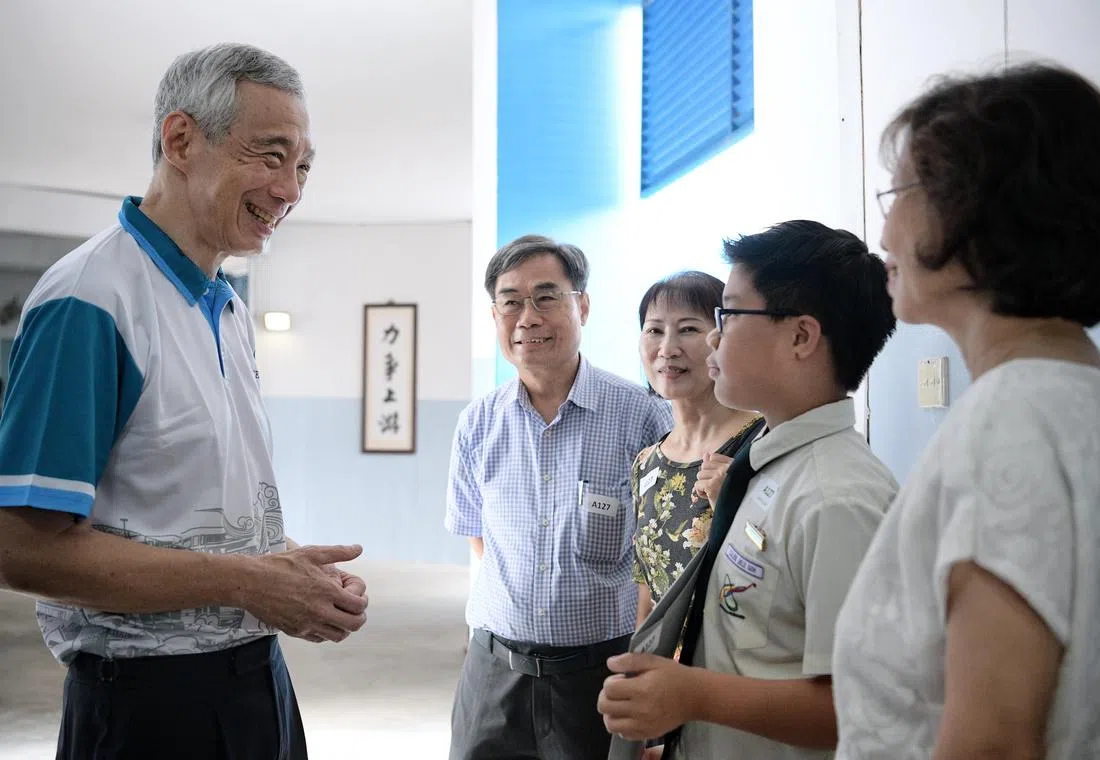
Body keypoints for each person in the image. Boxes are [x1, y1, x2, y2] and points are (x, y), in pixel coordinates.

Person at [0, 44, 368, 760]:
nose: (290, 189)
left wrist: (287, 570)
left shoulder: (226, 307)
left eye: (304, 166)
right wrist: (248, 581)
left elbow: (176, 510)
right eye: (270, 155)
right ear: (180, 140)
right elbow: (19, 548)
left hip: (256, 684)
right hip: (150, 708)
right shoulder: (91, 299)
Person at [832, 64, 1100, 759]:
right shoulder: (1083, 391)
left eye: (898, 193)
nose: (883, 232)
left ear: (974, 209)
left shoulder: (1011, 421)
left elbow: (992, 743)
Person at [599, 220, 899, 760]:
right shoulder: (766, 467)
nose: (713, 337)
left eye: (728, 315)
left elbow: (864, 707)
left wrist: (692, 697)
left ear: (801, 337)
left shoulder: (837, 500)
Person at [445, 234, 673, 760]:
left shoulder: (642, 417)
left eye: (546, 297)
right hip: (493, 673)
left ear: (583, 306)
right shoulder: (477, 424)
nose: (527, 317)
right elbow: (479, 537)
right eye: (511, 301)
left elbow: (658, 559)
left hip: (598, 676)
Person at [631, 272, 764, 627]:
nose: (667, 348)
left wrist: (727, 504)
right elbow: (647, 585)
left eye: (688, 329)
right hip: (666, 674)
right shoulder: (646, 464)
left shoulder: (761, 443)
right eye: (654, 330)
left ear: (723, 338)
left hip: (732, 669)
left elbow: (777, 576)